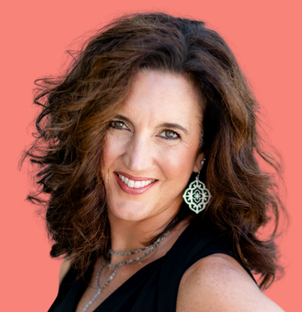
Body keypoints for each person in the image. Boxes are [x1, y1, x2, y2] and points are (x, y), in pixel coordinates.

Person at [29, 12, 283, 312]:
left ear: (202, 156)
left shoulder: (210, 284)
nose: (136, 161)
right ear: (89, 128)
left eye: (169, 134)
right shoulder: (81, 264)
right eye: (119, 124)